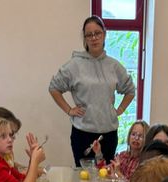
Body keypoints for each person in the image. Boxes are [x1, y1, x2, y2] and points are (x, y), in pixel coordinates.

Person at [49, 14, 135, 167]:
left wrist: (120, 109)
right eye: (89, 35)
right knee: (84, 178)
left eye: (97, 33)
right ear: (85, 38)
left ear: (104, 34)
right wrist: (69, 110)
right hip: (82, 133)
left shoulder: (114, 66)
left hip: (108, 134)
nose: (94, 38)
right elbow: (54, 88)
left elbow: (130, 89)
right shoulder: (74, 65)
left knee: (105, 178)